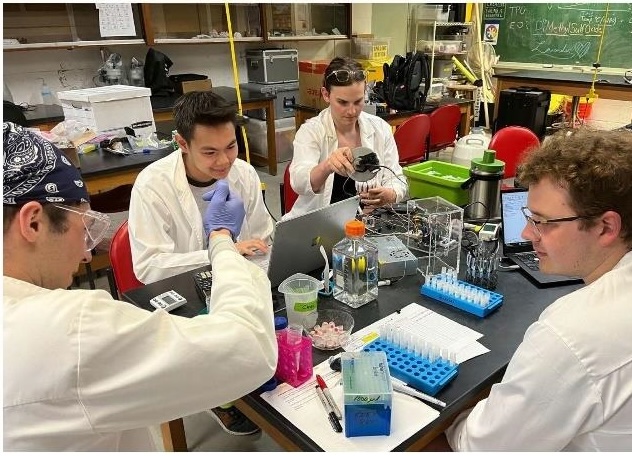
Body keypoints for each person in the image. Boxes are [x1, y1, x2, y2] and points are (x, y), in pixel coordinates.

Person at [2, 122, 278, 450]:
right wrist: (221, 238)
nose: (87, 254)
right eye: (85, 226)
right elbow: (247, 348)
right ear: (32, 222)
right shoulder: (69, 329)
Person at [442, 129, 632, 451]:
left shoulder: (572, 335)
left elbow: (484, 446)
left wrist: (457, 417)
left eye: (544, 222)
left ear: (606, 227)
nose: (527, 232)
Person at [127, 91, 273, 435]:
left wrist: (248, 253)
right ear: (182, 143)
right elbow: (149, 267)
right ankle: (219, 399)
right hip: (181, 295)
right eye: (209, 151)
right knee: (217, 355)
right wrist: (222, 251)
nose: (224, 161)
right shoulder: (153, 185)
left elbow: (265, 237)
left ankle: (247, 387)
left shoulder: (245, 175)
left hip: (238, 283)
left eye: (231, 146)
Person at [284, 56, 407, 220]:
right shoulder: (311, 131)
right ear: (326, 95)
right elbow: (299, 182)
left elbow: (396, 179)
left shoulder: (380, 128)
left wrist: (390, 194)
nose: (351, 111)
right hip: (321, 224)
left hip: (368, 223)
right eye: (342, 102)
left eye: (358, 101)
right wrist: (327, 165)